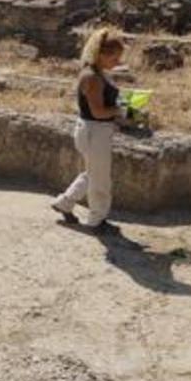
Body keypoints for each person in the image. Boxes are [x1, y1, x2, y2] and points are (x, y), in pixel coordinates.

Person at [50, 28, 127, 231]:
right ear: (101, 54)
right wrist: (121, 111)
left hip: (94, 130)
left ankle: (64, 203)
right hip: (95, 131)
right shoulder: (92, 78)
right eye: (115, 57)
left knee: (92, 173)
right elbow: (99, 112)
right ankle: (97, 220)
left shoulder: (96, 73)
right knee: (100, 180)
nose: (117, 62)